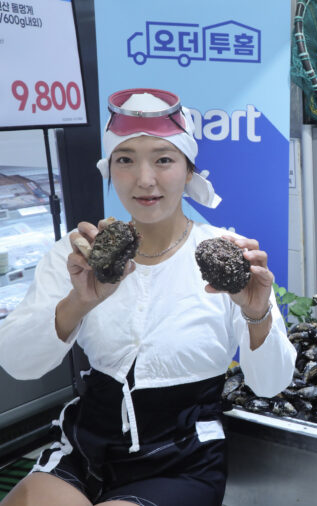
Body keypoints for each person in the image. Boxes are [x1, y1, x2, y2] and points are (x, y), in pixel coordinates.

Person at [0, 88, 297, 506]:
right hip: (86, 443)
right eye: (125, 160)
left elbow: (270, 384)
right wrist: (79, 302)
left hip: (182, 458)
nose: (144, 179)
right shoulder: (79, 255)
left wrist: (256, 313)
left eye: (163, 159)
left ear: (189, 170)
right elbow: (17, 363)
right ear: (108, 169)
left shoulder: (229, 256)